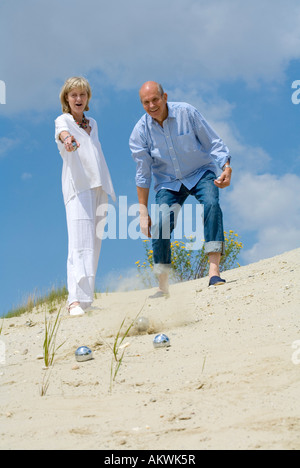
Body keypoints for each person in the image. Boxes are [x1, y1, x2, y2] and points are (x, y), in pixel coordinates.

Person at [129, 81, 232, 296]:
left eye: (155, 99)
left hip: (200, 172)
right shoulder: (140, 132)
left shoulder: (187, 112)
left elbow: (214, 143)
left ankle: (214, 272)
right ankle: (163, 285)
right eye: (146, 102)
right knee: (160, 225)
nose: (152, 105)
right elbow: (143, 174)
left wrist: (226, 167)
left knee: (212, 204)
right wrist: (142, 211)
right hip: (168, 182)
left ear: (164, 97)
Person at [55, 77, 115, 316]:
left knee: (94, 243)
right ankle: (74, 301)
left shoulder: (94, 124)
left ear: (87, 98)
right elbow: (62, 134)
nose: (78, 99)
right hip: (78, 188)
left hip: (99, 187)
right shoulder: (64, 120)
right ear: (66, 99)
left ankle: (86, 298)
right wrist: (68, 140)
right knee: (79, 243)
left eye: (82, 95)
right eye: (73, 95)